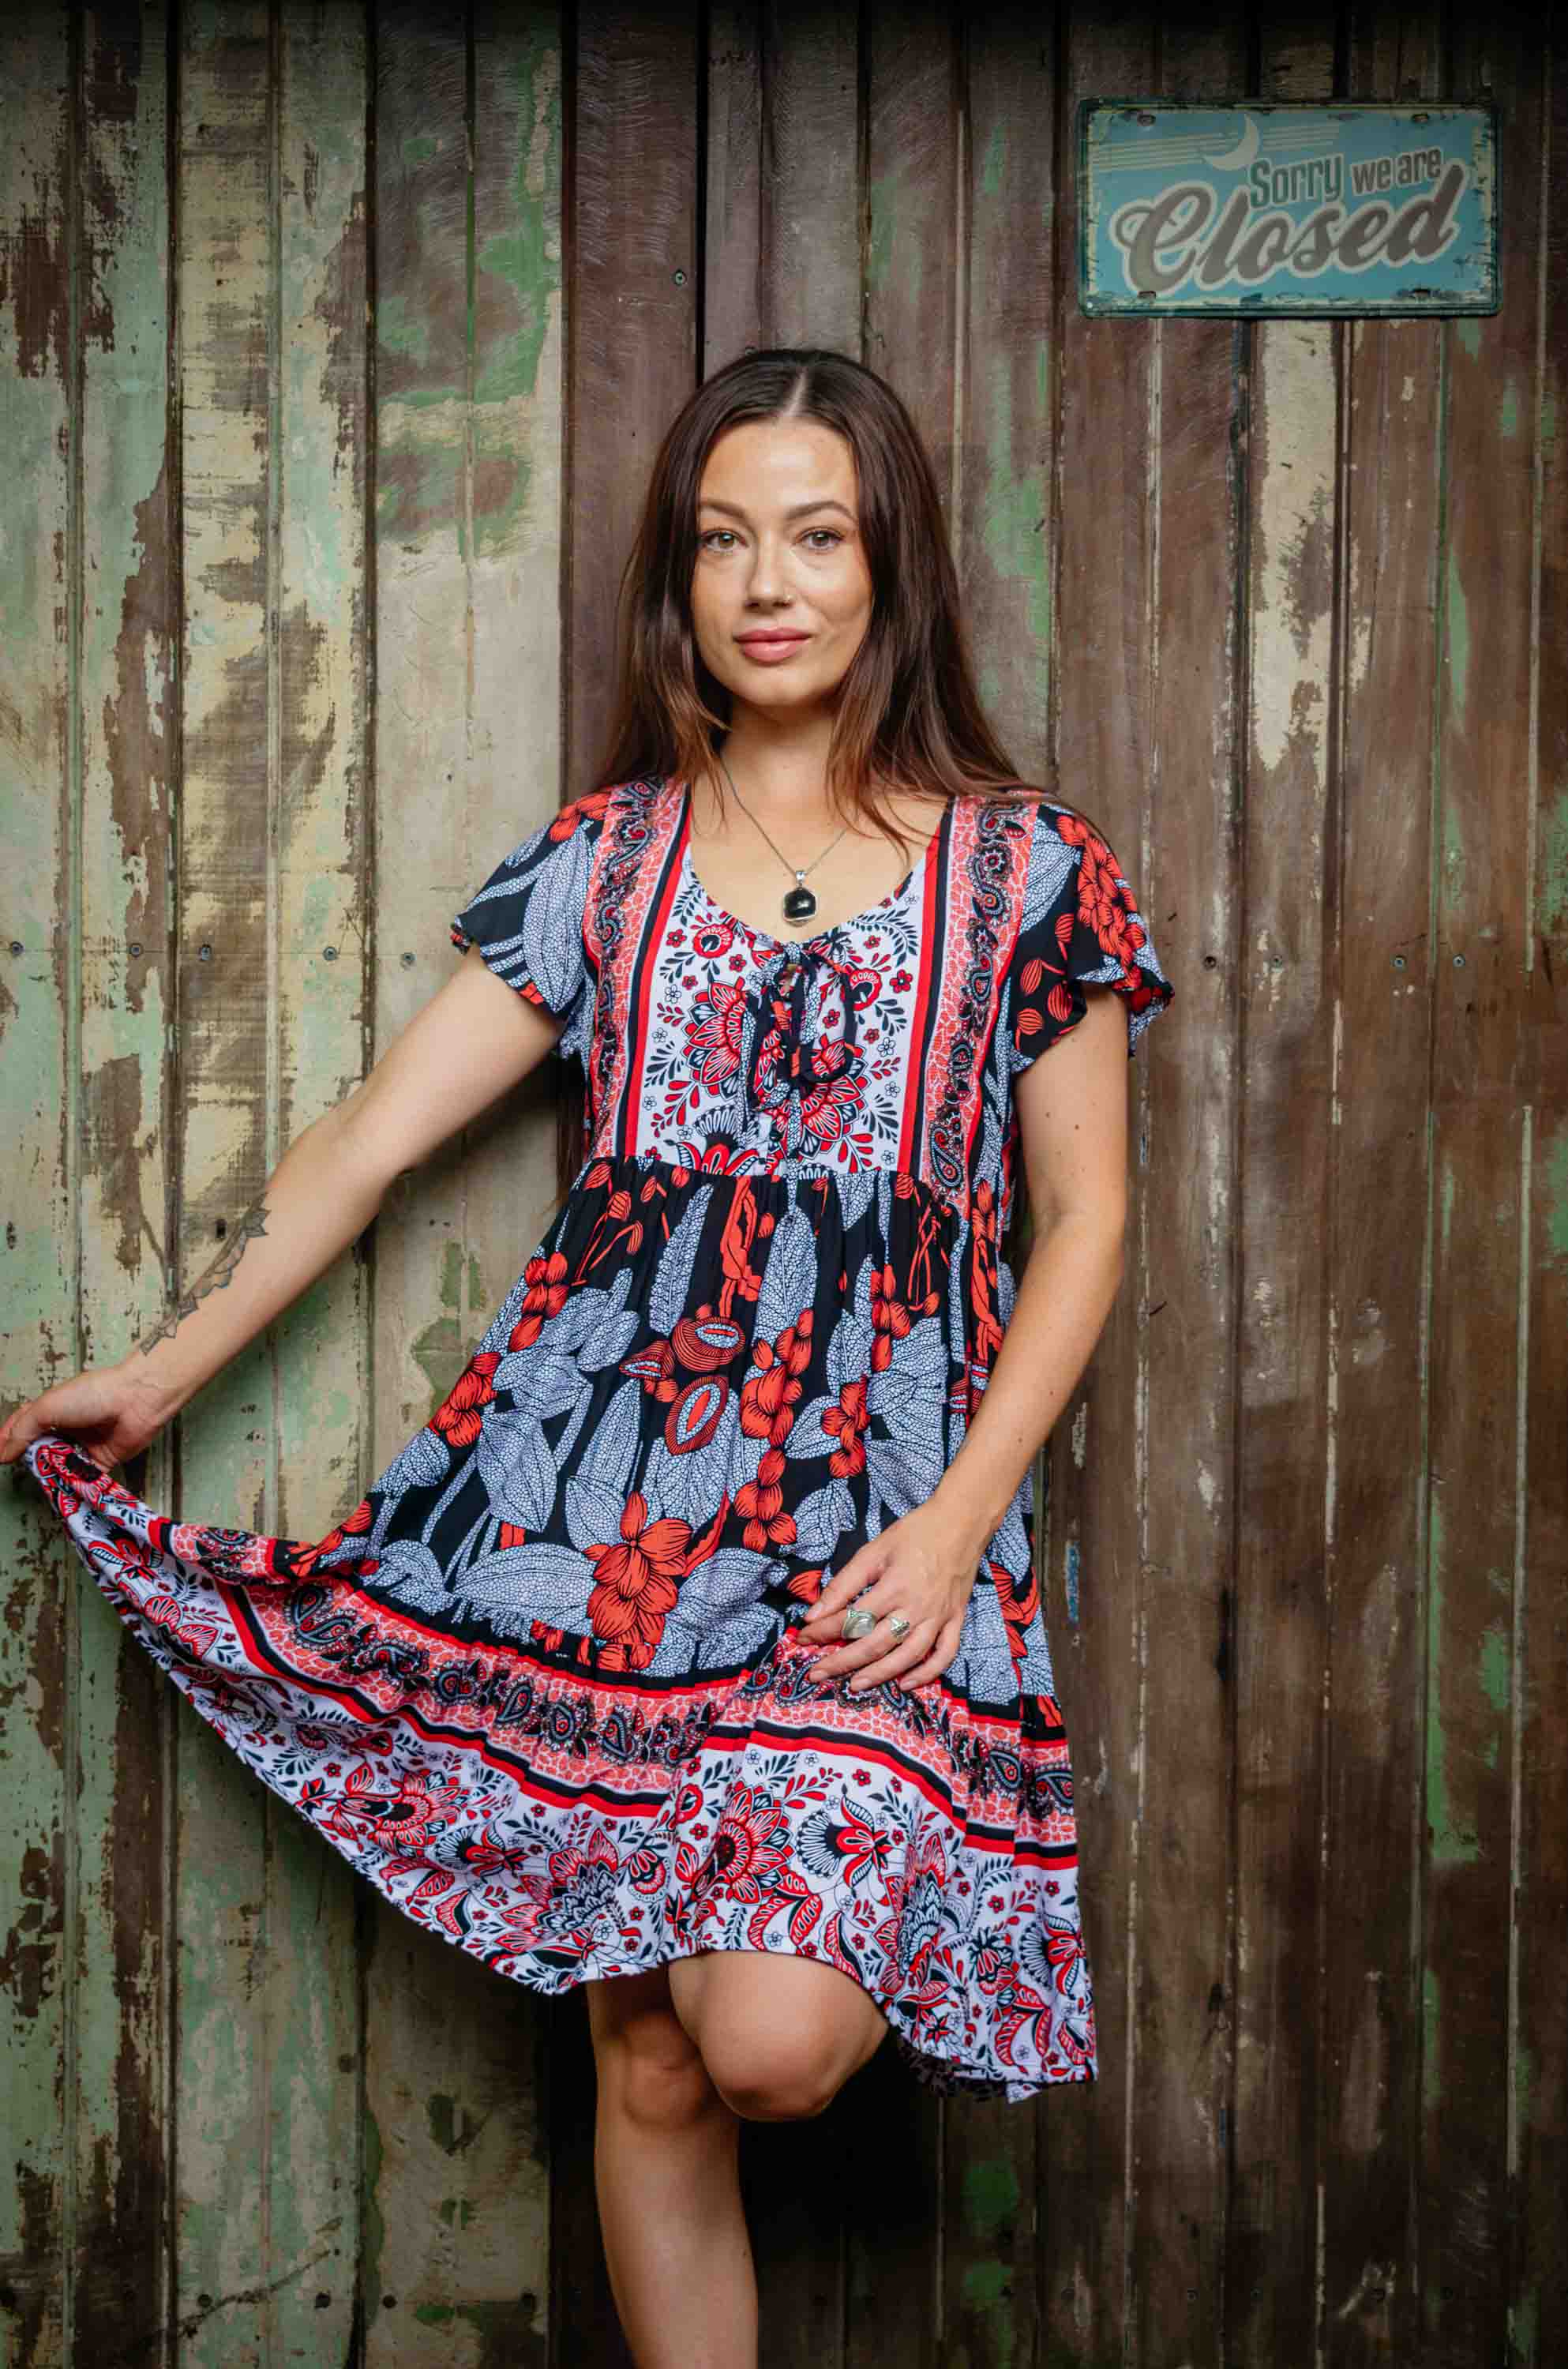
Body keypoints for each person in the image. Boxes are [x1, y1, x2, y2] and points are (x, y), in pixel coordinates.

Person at [4, 346, 1174, 2369]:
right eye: (722, 542)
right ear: (678, 577)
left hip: (881, 1519)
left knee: (771, 2042)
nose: (766, 584)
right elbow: (373, 1137)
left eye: (816, 536)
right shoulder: (606, 860)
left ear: (891, 564)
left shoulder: (1029, 871)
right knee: (648, 2064)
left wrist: (957, 1524)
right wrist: (168, 1375)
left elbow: (1084, 1225)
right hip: (595, 1514)